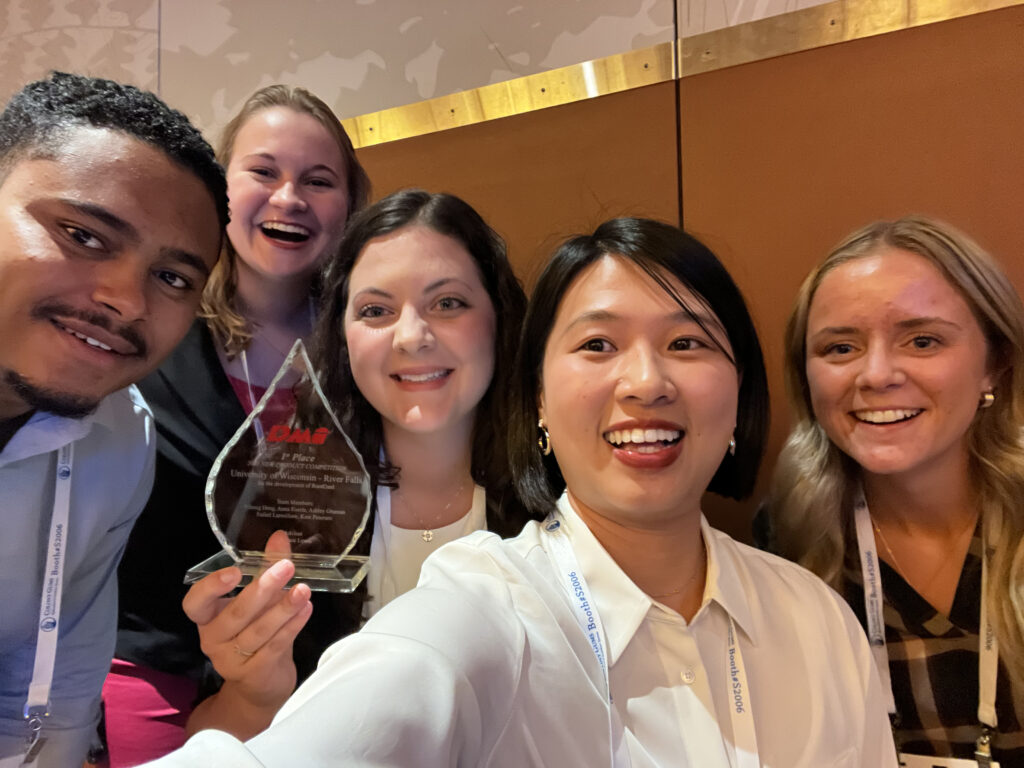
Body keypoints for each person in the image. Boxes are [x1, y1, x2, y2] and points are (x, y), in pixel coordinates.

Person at [146, 217, 895, 767]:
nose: (646, 382)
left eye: (687, 342)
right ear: (538, 399)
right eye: (597, 345)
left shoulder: (817, 622)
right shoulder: (489, 602)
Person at [173, 189, 533, 741]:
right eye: (375, 311)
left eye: (448, 303)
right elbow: (219, 736)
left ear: (498, 318)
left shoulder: (564, 501)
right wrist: (253, 692)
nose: (412, 336)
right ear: (342, 336)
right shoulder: (288, 509)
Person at [107, 85, 370, 765]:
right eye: (262, 172)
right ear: (220, 190)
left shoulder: (366, 349)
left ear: (350, 207)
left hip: (329, 669)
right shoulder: (152, 328)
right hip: (158, 665)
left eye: (318, 180)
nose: (289, 198)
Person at [0, 72, 226, 768]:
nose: (125, 300)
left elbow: (53, 690)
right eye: (85, 235)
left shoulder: (120, 435)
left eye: (173, 279)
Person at [763, 216, 1024, 764]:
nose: (876, 374)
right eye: (840, 349)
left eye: (922, 340)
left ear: (994, 365)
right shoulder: (789, 533)